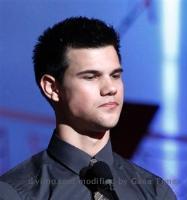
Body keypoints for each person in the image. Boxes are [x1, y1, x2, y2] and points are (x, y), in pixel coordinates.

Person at [0, 16, 177, 200]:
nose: (110, 88)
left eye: (115, 75)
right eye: (91, 76)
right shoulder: (15, 193)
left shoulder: (154, 191)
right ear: (52, 88)